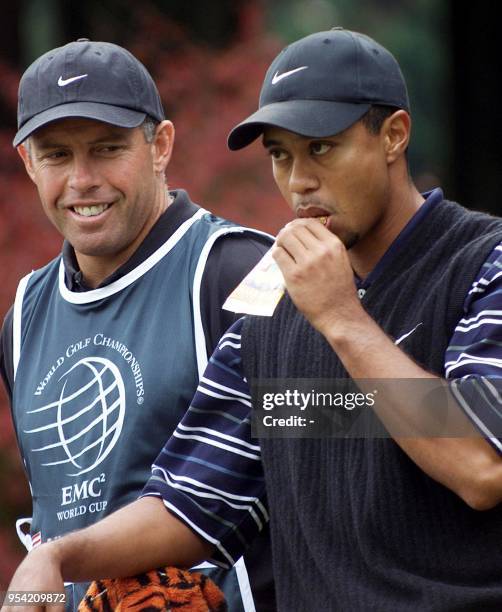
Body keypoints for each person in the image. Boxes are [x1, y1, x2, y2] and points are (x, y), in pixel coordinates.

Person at [5, 27, 502, 612]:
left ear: (393, 136)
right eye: (280, 155)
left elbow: (481, 464)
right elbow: (193, 503)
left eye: (322, 148)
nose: (299, 181)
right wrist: (57, 557)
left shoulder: (482, 263)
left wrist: (342, 319)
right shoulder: (270, 307)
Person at [0, 39, 276, 611]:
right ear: (27, 161)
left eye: (106, 149)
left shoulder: (242, 272)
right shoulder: (23, 317)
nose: (82, 179)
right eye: (56, 155)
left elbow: (356, 425)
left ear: (160, 146)